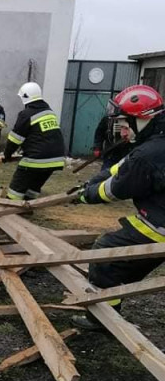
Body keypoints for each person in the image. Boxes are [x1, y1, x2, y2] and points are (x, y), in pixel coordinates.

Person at [73, 84, 165, 330]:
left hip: (160, 224)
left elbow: (115, 189)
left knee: (105, 255)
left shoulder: (148, 154)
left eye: (125, 126)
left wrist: (86, 195)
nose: (123, 133)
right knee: (126, 262)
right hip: (160, 214)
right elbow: (122, 166)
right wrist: (95, 178)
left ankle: (102, 318)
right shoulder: (156, 142)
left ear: (142, 120)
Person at [2, 81, 66, 200]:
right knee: (33, 186)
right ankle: (28, 206)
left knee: (15, 190)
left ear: (25, 97)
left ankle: (10, 210)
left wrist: (7, 155)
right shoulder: (49, 112)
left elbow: (15, 139)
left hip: (36, 159)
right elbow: (41, 136)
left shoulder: (26, 114)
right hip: (56, 159)